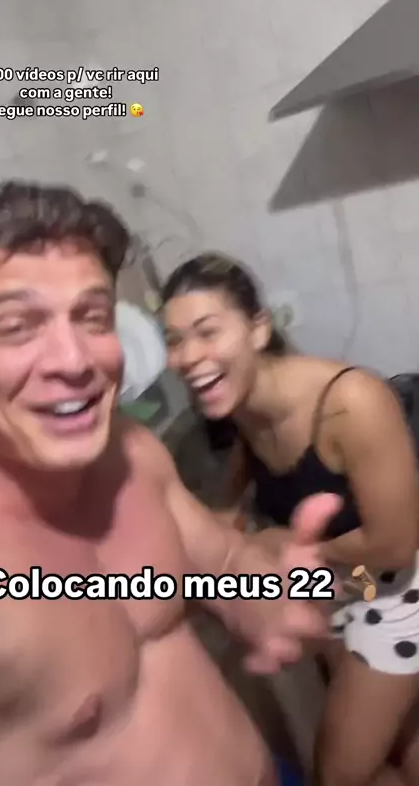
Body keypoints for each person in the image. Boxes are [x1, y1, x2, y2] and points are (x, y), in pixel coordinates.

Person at [0, 182, 340, 786]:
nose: (75, 359)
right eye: (18, 326)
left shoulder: (129, 451)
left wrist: (264, 600)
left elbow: (221, 564)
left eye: (92, 317)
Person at [162, 253, 419, 786]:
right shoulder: (242, 408)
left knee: (338, 773)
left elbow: (397, 544)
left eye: (207, 331)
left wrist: (286, 544)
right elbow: (232, 510)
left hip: (405, 591)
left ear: (258, 328)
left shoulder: (350, 400)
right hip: (353, 586)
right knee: (399, 745)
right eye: (174, 340)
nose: (187, 356)